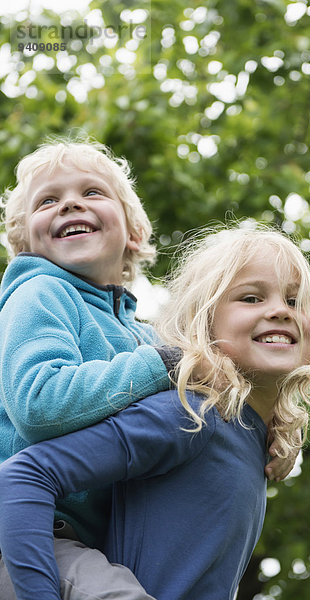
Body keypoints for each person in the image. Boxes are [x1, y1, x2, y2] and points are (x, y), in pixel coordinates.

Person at [0, 140, 294, 599]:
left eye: (93, 192)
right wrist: (167, 362)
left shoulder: (143, 337)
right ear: (25, 243)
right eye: (48, 200)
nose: (71, 203)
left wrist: (274, 428)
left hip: (88, 544)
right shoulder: (39, 293)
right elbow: (40, 405)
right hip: (28, 530)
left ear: (135, 233)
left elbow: (202, 389)